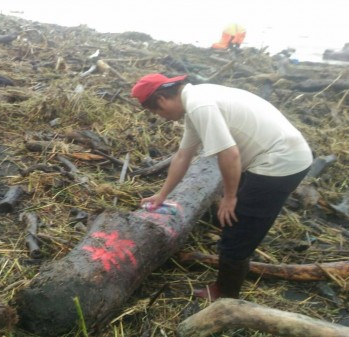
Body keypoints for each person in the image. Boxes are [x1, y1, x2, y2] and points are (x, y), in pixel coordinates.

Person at [131, 73, 313, 301]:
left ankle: (225, 294)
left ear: (160, 99)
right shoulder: (196, 101)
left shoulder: (200, 105)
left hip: (278, 163)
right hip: (282, 155)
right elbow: (182, 156)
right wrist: (162, 195)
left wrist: (229, 197)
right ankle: (235, 268)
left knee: (237, 230)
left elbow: (229, 153)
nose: (160, 116)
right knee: (240, 218)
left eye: (155, 111)